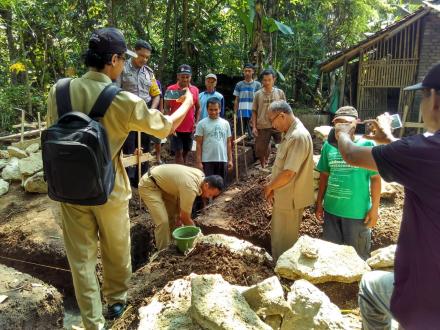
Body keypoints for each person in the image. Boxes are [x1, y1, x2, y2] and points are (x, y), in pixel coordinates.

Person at [45, 27, 193, 329]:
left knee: (81, 260)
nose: (124, 65)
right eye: (122, 60)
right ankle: (116, 303)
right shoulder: (121, 100)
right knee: (116, 249)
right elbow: (163, 127)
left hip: (68, 189)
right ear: (113, 59)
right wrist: (188, 104)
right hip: (108, 188)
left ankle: (92, 322)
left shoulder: (58, 91)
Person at [334, 63, 440, 329]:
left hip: (428, 297)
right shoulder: (421, 152)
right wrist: (389, 138)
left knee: (370, 287)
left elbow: (350, 154)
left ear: (435, 99)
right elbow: (417, 159)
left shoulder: (423, 150)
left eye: (423, 96)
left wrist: (342, 133)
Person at [315, 106, 381, 260]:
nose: (342, 126)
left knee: (358, 258)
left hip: (357, 214)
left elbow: (375, 178)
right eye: (338, 122)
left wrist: (375, 209)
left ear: (356, 123)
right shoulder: (328, 146)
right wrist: (319, 204)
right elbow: (324, 176)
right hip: (331, 212)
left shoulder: (366, 146)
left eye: (346, 122)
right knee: (331, 256)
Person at [263, 100, 314, 260]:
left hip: (289, 199)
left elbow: (288, 173)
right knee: (279, 237)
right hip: (284, 195)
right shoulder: (289, 134)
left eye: (273, 120)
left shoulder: (297, 136)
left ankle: (282, 274)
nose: (273, 125)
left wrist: (269, 187)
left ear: (282, 115)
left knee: (284, 242)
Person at [138, 164, 224, 250]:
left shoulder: (200, 176)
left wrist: (179, 216)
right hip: (149, 184)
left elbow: (181, 197)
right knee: (163, 222)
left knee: (174, 217)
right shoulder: (191, 187)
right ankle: (162, 253)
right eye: (210, 194)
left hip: (164, 184)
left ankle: (173, 244)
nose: (209, 197)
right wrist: (199, 236)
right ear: (206, 185)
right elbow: (185, 218)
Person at [117, 40, 163, 183]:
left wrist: (151, 110)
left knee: (144, 145)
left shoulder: (149, 73)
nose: (144, 59)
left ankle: (142, 178)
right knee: (129, 146)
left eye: (147, 57)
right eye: (141, 55)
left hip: (145, 115)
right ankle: (129, 180)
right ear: (134, 52)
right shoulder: (122, 68)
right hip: (127, 115)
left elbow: (156, 94)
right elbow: (116, 91)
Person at [165, 64, 200, 164]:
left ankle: (182, 169)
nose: (185, 79)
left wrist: (196, 122)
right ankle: (180, 172)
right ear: (178, 76)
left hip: (189, 127)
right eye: (182, 76)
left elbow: (198, 107)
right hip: (175, 126)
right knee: (178, 152)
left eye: (187, 77)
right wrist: (169, 121)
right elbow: (167, 107)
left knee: (186, 150)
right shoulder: (171, 89)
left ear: (190, 77)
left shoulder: (195, 90)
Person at [252, 69, 286, 168]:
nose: (267, 82)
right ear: (262, 81)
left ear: (274, 79)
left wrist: (286, 125)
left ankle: (279, 165)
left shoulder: (280, 93)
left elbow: (285, 109)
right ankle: (263, 166)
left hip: (278, 125)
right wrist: (254, 127)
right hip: (262, 125)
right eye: (264, 80)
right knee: (260, 148)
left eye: (269, 80)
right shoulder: (258, 94)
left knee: (282, 145)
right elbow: (254, 111)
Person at [195, 97, 233, 181]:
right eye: (211, 109)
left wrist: (230, 160)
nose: (213, 112)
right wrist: (199, 162)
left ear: (220, 109)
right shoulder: (201, 124)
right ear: (207, 109)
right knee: (209, 185)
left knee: (221, 185)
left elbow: (228, 143)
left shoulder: (225, 124)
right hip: (207, 160)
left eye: (216, 109)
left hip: (222, 159)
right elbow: (198, 144)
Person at [233, 63, 261, 138]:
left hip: (253, 113)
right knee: (239, 135)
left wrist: (258, 113)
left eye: (249, 71)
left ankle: (254, 149)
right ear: (243, 72)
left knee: (253, 135)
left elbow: (259, 100)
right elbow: (236, 100)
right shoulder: (239, 84)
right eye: (245, 71)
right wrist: (235, 113)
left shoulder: (257, 85)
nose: (247, 73)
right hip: (241, 113)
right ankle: (239, 149)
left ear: (253, 72)